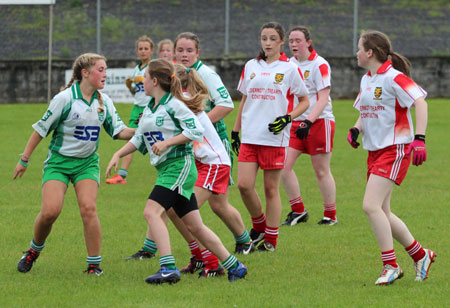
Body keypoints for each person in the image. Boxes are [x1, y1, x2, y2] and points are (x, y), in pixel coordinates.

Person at [106, 59, 248, 284]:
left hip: (180, 167)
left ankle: (168, 268)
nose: (141, 81)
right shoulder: (150, 107)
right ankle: (234, 266)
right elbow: (139, 138)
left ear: (154, 81)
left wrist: (168, 143)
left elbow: (195, 130)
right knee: (194, 225)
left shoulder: (176, 104)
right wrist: (118, 154)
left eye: (145, 77)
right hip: (169, 169)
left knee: (152, 212)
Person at [14, 53, 135, 275]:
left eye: (106, 69)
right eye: (101, 69)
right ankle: (33, 250)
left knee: (88, 208)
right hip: (59, 163)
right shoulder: (65, 99)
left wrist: (141, 131)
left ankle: (94, 265)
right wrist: (24, 159)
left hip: (86, 164)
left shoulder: (104, 101)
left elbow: (119, 131)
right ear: (85, 73)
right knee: (50, 211)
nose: (105, 74)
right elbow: (41, 129)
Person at [349, 30, 435, 285]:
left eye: (358, 48)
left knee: (370, 206)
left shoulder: (393, 78)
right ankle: (421, 255)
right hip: (374, 151)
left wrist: (420, 138)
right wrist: (356, 128)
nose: (356, 53)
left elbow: (421, 102)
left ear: (369, 52)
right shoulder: (367, 79)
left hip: (395, 149)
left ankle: (391, 265)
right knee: (382, 211)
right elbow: (366, 110)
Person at [232, 22, 310, 252]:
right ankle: (259, 225)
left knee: (270, 189)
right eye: (264, 38)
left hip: (274, 138)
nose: (267, 43)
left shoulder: (289, 69)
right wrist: (236, 131)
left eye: (272, 38)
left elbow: (304, 101)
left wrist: (288, 118)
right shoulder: (251, 65)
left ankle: (271, 240)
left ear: (281, 42)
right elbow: (244, 99)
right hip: (250, 136)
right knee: (244, 186)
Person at [173, 32, 248, 269]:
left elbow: (226, 104)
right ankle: (243, 241)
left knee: (188, 206)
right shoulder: (177, 76)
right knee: (216, 203)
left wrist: (197, 127)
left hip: (213, 145)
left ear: (198, 53)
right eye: (180, 50)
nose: (184, 55)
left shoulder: (205, 74)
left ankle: (207, 256)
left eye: (189, 51)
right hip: (195, 147)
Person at [281, 26, 337, 226]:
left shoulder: (319, 64)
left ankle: (330, 215)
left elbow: (323, 98)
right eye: (291, 41)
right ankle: (298, 211)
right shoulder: (288, 64)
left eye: (298, 40)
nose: (294, 44)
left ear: (308, 42)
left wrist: (309, 120)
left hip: (320, 122)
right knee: (283, 166)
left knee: (321, 170)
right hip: (295, 124)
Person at [106, 35, 154, 184]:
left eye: (146, 48)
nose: (143, 51)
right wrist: (130, 87)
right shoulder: (136, 69)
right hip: (137, 107)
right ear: (136, 51)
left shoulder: (153, 68)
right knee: (130, 138)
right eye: (140, 49)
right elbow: (136, 92)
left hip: (149, 107)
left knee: (154, 137)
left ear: (152, 51)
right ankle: (122, 175)